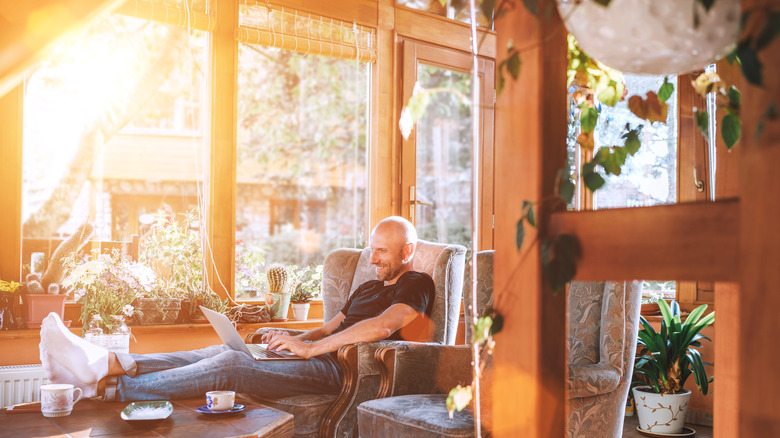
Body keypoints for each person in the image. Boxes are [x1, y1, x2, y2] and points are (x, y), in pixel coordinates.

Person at [39, 216, 435, 401]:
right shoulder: (368, 284)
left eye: (382, 251)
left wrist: (312, 350)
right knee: (223, 352)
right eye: (373, 248)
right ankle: (106, 363)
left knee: (233, 369)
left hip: (342, 371)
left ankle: (108, 390)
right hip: (320, 356)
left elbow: (385, 326)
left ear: (408, 251)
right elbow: (330, 326)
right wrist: (292, 338)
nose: (374, 257)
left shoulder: (417, 283)